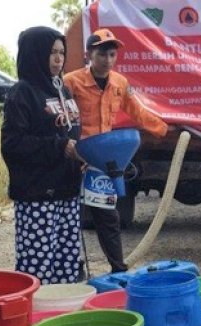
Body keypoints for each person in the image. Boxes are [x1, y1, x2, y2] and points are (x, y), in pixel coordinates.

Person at [64, 28, 168, 273]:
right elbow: (60, 118)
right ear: (89, 54)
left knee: (107, 216)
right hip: (73, 157)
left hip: (102, 161)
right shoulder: (71, 82)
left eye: (112, 55)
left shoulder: (120, 83)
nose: (108, 60)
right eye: (102, 55)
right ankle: (70, 267)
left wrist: (162, 129)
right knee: (69, 215)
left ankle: (118, 269)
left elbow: (136, 111)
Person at [1, 26, 83, 284]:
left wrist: (81, 156)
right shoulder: (22, 92)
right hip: (38, 196)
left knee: (67, 263)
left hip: (67, 191)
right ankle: (36, 320)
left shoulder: (63, 90)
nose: (59, 59)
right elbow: (13, 144)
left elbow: (72, 133)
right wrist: (60, 147)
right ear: (34, 54)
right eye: (51, 53)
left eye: (61, 52)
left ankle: (62, 318)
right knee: (38, 269)